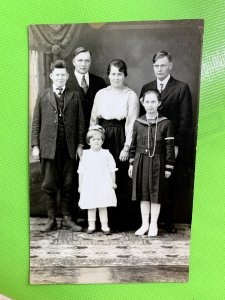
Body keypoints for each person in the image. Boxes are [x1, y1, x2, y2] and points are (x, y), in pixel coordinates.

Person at [140, 51, 192, 233]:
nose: (159, 69)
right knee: (149, 183)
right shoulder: (147, 87)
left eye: (163, 65)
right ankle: (149, 222)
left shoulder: (181, 87)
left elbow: (186, 120)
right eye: (156, 65)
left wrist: (176, 145)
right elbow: (142, 119)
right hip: (150, 146)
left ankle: (167, 222)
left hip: (171, 145)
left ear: (170, 65)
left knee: (169, 181)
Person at [31, 59, 85, 232]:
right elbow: (36, 122)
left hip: (69, 148)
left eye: (63, 75)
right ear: (51, 76)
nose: (60, 77)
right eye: (57, 75)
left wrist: (80, 144)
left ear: (67, 76)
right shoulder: (43, 95)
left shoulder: (74, 95)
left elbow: (80, 123)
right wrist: (35, 145)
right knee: (49, 183)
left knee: (69, 183)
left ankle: (67, 218)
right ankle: (51, 219)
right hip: (48, 147)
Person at [90, 59, 140, 230]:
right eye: (113, 73)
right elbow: (93, 120)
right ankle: (101, 222)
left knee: (118, 177)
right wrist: (93, 140)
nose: (116, 77)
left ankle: (120, 221)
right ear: (108, 74)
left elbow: (132, 123)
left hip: (120, 136)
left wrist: (127, 146)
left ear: (125, 75)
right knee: (100, 176)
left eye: (119, 74)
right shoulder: (100, 94)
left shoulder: (130, 95)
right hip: (102, 136)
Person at [128, 90, 175, 236]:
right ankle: (144, 224)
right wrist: (131, 163)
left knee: (155, 193)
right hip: (141, 161)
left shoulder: (166, 123)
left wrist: (168, 166)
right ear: (142, 103)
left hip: (158, 162)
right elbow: (133, 145)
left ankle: (154, 225)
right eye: (147, 102)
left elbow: (169, 147)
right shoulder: (138, 122)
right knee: (144, 194)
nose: (150, 105)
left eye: (153, 102)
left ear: (159, 103)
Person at [78, 126, 117, 235]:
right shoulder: (85, 155)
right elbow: (81, 172)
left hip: (103, 183)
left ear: (102, 141)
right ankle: (91, 225)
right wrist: (80, 185)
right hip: (89, 184)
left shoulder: (106, 154)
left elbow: (112, 170)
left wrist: (113, 182)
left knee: (102, 204)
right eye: (93, 140)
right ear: (89, 142)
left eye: (99, 139)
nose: (96, 142)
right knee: (91, 205)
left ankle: (105, 226)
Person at [68, 47, 107, 137]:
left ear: (90, 62)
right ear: (74, 62)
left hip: (95, 135)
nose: (83, 64)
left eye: (87, 61)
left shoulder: (100, 82)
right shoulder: (65, 82)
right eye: (80, 60)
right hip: (72, 134)